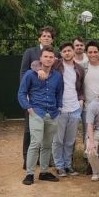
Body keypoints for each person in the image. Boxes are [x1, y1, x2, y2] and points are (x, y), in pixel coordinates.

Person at [32, 42, 85, 177]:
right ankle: (59, 166)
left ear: (73, 52)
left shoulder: (79, 69)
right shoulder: (56, 64)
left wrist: (81, 99)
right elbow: (35, 64)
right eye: (64, 51)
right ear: (60, 54)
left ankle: (68, 165)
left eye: (69, 50)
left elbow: (80, 87)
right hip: (59, 108)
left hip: (74, 109)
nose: (67, 53)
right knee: (58, 140)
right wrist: (39, 70)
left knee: (70, 141)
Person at [17, 46, 63, 185]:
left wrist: (59, 107)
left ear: (54, 59)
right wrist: (28, 108)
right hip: (37, 112)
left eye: (51, 57)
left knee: (47, 144)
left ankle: (43, 172)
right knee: (35, 142)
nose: (48, 59)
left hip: (53, 113)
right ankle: (29, 174)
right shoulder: (30, 74)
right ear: (41, 58)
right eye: (46, 56)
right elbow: (21, 93)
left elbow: (59, 93)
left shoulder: (57, 76)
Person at [19, 26, 56, 170]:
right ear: (39, 38)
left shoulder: (55, 53)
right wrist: (26, 93)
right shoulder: (30, 52)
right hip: (32, 97)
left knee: (47, 130)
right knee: (29, 130)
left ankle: (44, 160)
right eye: (44, 35)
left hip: (48, 99)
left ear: (52, 39)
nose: (46, 37)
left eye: (49, 36)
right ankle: (26, 159)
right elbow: (23, 71)